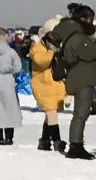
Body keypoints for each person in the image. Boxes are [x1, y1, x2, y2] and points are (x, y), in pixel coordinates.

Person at [53, 4, 96, 159]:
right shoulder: (76, 36)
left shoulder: (71, 33)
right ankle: (76, 145)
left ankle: (76, 144)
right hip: (82, 77)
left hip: (78, 75)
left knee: (81, 113)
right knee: (81, 113)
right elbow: (89, 54)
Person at [29, 17, 67, 152]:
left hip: (54, 85)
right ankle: (57, 141)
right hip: (43, 85)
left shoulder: (55, 47)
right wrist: (52, 51)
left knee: (50, 115)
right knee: (52, 114)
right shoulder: (37, 47)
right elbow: (41, 62)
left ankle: (44, 141)